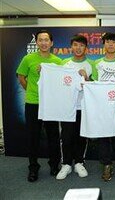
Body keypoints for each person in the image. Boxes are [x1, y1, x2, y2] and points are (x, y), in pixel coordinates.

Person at [16, 30, 62, 182]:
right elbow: (21, 77)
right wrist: (31, 90)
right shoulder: (28, 58)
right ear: (37, 42)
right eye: (40, 40)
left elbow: (60, 82)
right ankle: (33, 168)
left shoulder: (57, 61)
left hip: (51, 105)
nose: (43, 43)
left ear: (51, 43)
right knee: (33, 137)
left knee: (53, 137)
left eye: (46, 40)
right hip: (33, 103)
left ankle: (54, 165)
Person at [91, 32, 115, 181]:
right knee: (104, 138)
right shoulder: (97, 63)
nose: (111, 44)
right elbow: (93, 84)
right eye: (108, 42)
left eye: (113, 42)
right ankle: (106, 165)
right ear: (103, 45)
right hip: (102, 107)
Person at [56, 34, 93, 180]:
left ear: (86, 48)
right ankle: (66, 164)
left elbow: (94, 88)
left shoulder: (91, 64)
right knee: (66, 136)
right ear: (71, 47)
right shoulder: (64, 63)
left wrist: (87, 78)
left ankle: (79, 162)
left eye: (82, 45)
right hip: (67, 108)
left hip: (83, 107)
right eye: (76, 45)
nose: (78, 48)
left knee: (81, 136)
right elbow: (58, 83)